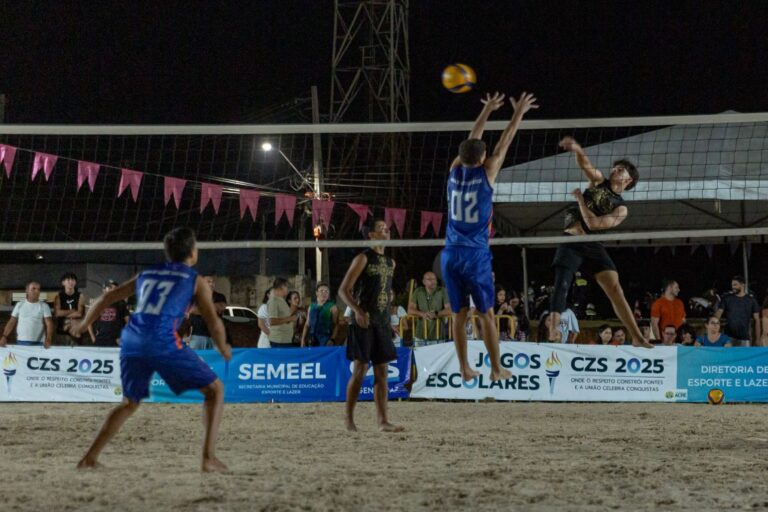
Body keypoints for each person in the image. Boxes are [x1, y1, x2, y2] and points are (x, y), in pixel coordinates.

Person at [69, 227, 231, 472]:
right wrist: (224, 348)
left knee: (129, 402)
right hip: (161, 339)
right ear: (192, 253)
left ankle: (89, 458)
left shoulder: (148, 273)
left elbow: (105, 298)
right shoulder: (193, 280)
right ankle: (208, 458)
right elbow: (213, 322)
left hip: (132, 340)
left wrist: (83, 324)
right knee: (215, 390)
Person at [441, 91, 538, 381]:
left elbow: (471, 142)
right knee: (486, 314)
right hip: (475, 254)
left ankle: (464, 367)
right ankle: (497, 369)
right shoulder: (488, 171)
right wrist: (517, 113)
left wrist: (485, 111)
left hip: (449, 253)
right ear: (483, 158)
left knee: (458, 315)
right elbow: (505, 141)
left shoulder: (453, 171)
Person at [549, 136, 652, 348]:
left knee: (615, 288)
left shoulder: (621, 208)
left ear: (628, 180)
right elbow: (587, 166)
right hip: (572, 238)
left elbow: (594, 224)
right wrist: (577, 149)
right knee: (562, 284)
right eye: (615, 167)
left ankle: (637, 337)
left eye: (621, 169)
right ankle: (553, 331)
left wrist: (579, 200)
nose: (615, 170)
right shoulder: (598, 182)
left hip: (592, 243)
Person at [338, 219, 402, 432]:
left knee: (382, 373)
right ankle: (348, 420)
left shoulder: (391, 263)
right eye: (382, 229)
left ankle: (383, 421)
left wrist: (389, 321)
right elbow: (343, 290)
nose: (387, 231)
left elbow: (384, 294)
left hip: (382, 323)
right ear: (372, 235)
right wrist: (357, 311)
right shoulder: (363, 258)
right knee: (360, 370)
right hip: (364, 322)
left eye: (388, 228)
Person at [0, 281, 54, 348]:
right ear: (27, 290)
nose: (37, 291)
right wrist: (4, 336)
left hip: (39, 343)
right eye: (33, 288)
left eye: (38, 289)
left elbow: (49, 324)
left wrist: (48, 339)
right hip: (21, 341)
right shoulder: (19, 305)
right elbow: (11, 322)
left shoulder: (44, 306)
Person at [715, 276, 760, 347]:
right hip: (728, 337)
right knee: (728, 357)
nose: (733, 287)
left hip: (745, 338)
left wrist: (757, 339)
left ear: (743, 285)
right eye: (732, 285)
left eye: (735, 284)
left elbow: (757, 320)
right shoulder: (727, 298)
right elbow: (717, 316)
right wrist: (714, 333)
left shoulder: (751, 300)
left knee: (745, 357)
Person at [408, 271, 451, 344]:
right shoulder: (418, 291)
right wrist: (422, 314)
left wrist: (436, 314)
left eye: (434, 279)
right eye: (429, 279)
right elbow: (410, 310)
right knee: (420, 355)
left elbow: (449, 309)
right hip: (420, 335)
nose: (433, 281)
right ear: (423, 281)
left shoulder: (442, 291)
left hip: (438, 335)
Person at [187, 275, 227, 350]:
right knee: (196, 358)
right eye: (208, 282)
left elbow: (221, 307)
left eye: (213, 282)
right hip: (198, 335)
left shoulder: (220, 297)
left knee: (215, 360)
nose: (211, 284)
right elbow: (192, 310)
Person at [87, 280, 130, 347]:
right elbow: (88, 321)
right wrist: (93, 337)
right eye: (109, 287)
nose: (112, 289)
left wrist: (122, 337)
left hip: (115, 340)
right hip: (100, 339)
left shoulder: (121, 303)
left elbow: (129, 322)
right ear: (104, 290)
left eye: (114, 288)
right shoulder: (97, 303)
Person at [53, 272, 87, 346]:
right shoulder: (59, 296)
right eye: (68, 280)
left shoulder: (80, 295)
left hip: (76, 331)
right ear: (63, 282)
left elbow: (80, 313)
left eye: (73, 280)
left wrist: (64, 314)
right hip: (61, 332)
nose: (70, 282)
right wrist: (73, 311)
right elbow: (57, 313)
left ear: (75, 282)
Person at [301, 283, 339, 347]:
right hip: (312, 338)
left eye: (326, 291)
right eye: (321, 291)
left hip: (325, 338)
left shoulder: (332, 307)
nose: (324, 293)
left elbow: (336, 325)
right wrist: (303, 339)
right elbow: (307, 324)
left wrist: (332, 339)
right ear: (317, 293)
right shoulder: (311, 306)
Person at [267, 278, 299, 348]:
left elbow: (284, 318)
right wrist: (290, 319)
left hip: (285, 340)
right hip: (279, 341)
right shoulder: (273, 301)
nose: (288, 289)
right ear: (280, 287)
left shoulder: (281, 300)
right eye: (286, 287)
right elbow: (272, 321)